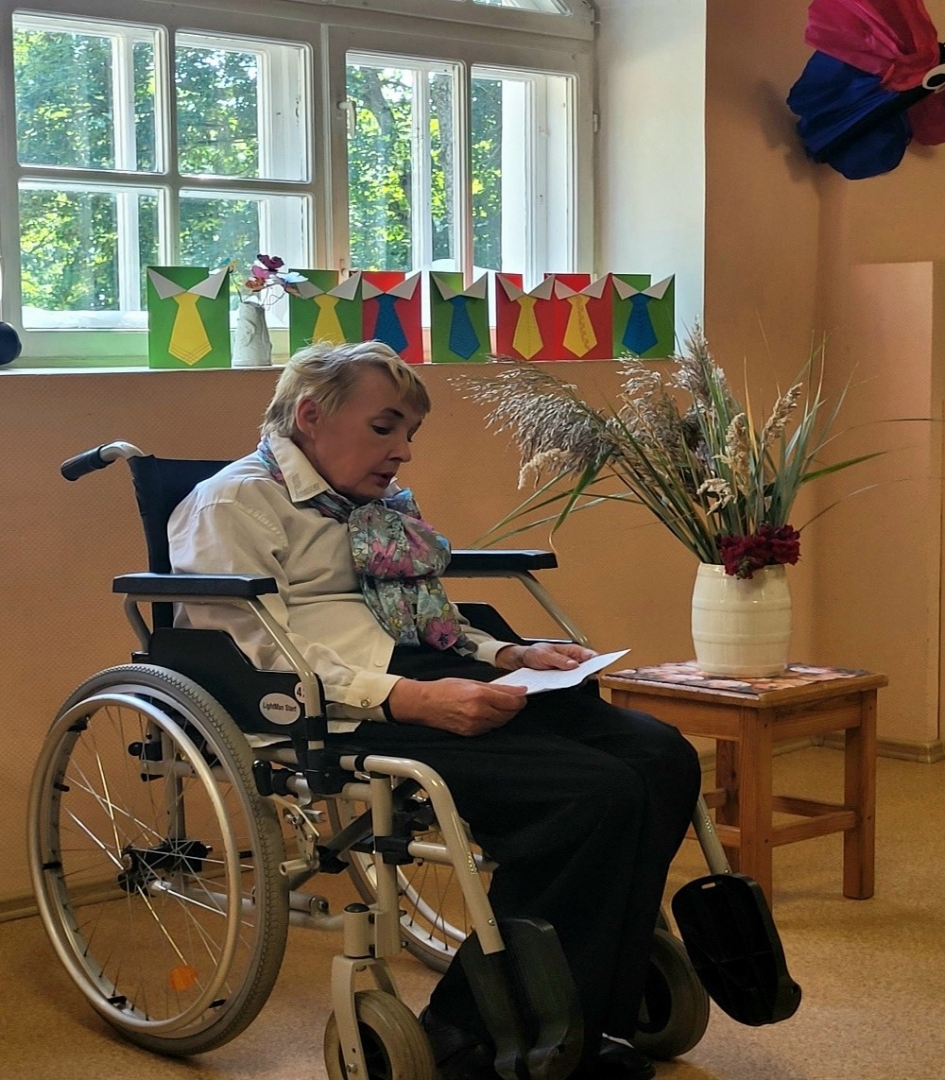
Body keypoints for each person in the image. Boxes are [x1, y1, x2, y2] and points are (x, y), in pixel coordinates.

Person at [168, 341, 702, 1080]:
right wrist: (407, 698)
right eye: (384, 427)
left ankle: (580, 1005)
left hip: (425, 670)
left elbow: (423, 616)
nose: (404, 451)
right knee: (592, 794)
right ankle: (466, 1035)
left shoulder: (379, 507)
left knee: (661, 755)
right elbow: (251, 649)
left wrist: (504, 654)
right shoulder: (232, 504)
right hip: (337, 703)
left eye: (410, 432)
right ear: (311, 416)